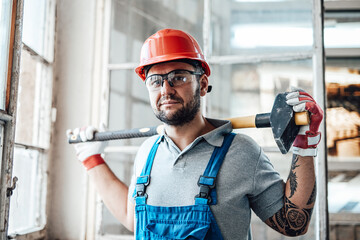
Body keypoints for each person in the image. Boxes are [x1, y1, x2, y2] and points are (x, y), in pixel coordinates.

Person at [68, 28, 323, 239]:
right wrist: (92, 160)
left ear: (201, 85)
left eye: (178, 77)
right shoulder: (147, 153)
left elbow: (293, 224)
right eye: (155, 80)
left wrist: (305, 145)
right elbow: (131, 218)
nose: (166, 89)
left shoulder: (242, 152)